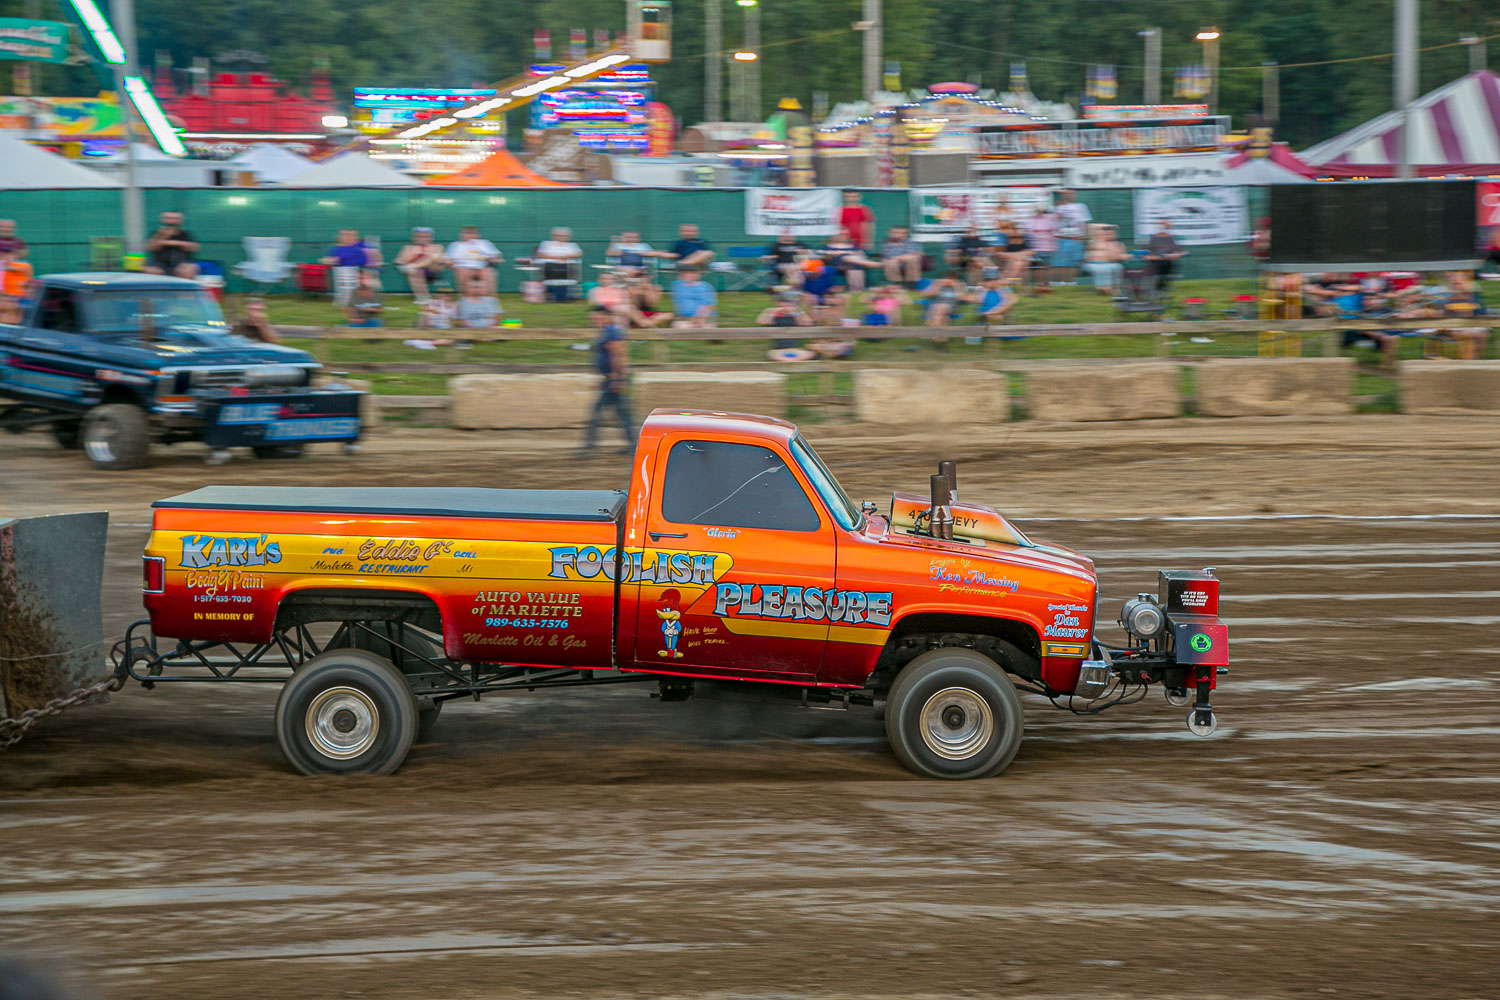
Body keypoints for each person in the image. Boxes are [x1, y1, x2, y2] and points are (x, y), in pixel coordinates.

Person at [580, 305, 634, 455]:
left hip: (615, 380)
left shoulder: (611, 332)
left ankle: (589, 446)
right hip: (612, 379)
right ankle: (633, 445)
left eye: (596, 316)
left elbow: (618, 355)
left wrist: (618, 379)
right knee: (623, 415)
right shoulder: (607, 332)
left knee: (598, 412)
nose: (593, 319)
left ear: (606, 316)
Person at [321, 228, 378, 307]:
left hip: (363, 271)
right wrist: (331, 260)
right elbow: (325, 260)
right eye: (346, 235)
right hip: (346, 274)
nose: (349, 237)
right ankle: (358, 301)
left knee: (371, 277)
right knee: (354, 275)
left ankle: (369, 301)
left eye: (352, 235)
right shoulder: (335, 249)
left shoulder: (361, 245)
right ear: (340, 237)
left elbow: (375, 253)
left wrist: (373, 261)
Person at [445, 225, 503, 294]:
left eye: (472, 233)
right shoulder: (456, 245)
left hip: (481, 268)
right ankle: (464, 298)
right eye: (467, 233)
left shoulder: (484, 243)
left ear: (478, 235)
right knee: (463, 272)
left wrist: (494, 259)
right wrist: (450, 263)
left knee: (488, 271)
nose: (470, 235)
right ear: (461, 235)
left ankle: (489, 298)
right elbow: (448, 260)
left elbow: (497, 256)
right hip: (463, 268)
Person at [395, 227, 447, 302]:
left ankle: (417, 266)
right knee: (412, 270)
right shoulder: (408, 248)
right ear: (414, 238)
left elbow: (442, 260)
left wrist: (423, 260)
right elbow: (399, 263)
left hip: (432, 270)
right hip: (414, 272)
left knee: (434, 256)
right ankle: (422, 297)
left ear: (431, 238)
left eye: (425, 237)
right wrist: (411, 256)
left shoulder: (437, 247)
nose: (422, 239)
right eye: (419, 237)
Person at [821, 227, 879, 292]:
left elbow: (861, 254)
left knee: (854, 267)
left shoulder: (853, 246)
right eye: (841, 234)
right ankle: (874, 264)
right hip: (838, 265)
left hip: (852, 265)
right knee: (846, 259)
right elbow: (826, 256)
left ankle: (857, 290)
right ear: (835, 235)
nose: (843, 236)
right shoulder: (829, 246)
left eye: (845, 234)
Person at [1052, 189, 1091, 286]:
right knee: (1060, 263)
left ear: (1074, 195)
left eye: (1070, 192)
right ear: (1061, 194)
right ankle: (1060, 283)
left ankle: (1072, 283)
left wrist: (1085, 237)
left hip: (1076, 238)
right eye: (1065, 193)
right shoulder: (1055, 207)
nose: (1067, 194)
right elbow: (1050, 223)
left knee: (1075, 262)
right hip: (1060, 238)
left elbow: (1085, 223)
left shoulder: (1081, 207)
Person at [145, 211, 200, 279]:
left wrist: (171, 242)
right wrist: (163, 236)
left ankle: (182, 289)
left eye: (175, 218)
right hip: (159, 263)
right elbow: (151, 247)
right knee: (148, 270)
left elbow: (194, 247)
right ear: (163, 220)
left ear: (180, 221)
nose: (172, 221)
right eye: (169, 218)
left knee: (189, 269)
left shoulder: (185, 234)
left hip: (181, 263)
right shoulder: (156, 233)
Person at [535, 226, 582, 302]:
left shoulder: (572, 245)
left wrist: (566, 256)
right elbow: (541, 254)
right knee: (555, 271)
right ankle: (557, 294)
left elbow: (579, 254)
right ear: (553, 236)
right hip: (549, 267)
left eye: (565, 236)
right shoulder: (546, 243)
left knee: (564, 272)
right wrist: (559, 258)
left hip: (567, 267)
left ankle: (560, 295)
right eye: (559, 236)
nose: (562, 237)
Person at [1082, 223, 1129, 295]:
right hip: (1094, 264)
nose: (1107, 235)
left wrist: (1111, 249)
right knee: (1102, 287)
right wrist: (1111, 226)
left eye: (1110, 234)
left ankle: (1113, 290)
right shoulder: (1094, 241)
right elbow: (1091, 226)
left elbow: (1118, 257)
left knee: (1107, 286)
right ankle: (1107, 290)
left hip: (1109, 265)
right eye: (1105, 233)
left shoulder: (1118, 244)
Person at [1145, 218, 1188, 292]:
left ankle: (1162, 286)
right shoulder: (1153, 238)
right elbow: (1146, 253)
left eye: (1167, 225)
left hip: (1167, 261)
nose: (1166, 226)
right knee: (1162, 264)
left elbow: (1177, 251)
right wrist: (1154, 257)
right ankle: (1160, 286)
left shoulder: (1170, 238)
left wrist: (1178, 254)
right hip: (1155, 261)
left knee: (1169, 264)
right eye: (1163, 224)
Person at [1023, 204, 1058, 292]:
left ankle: (1047, 284)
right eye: (1037, 210)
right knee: (1039, 267)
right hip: (1036, 247)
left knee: (1048, 266)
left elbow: (1054, 229)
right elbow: (1028, 231)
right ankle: (1039, 285)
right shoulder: (1031, 220)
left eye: (1040, 210)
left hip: (1049, 247)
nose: (1039, 212)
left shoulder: (1050, 218)